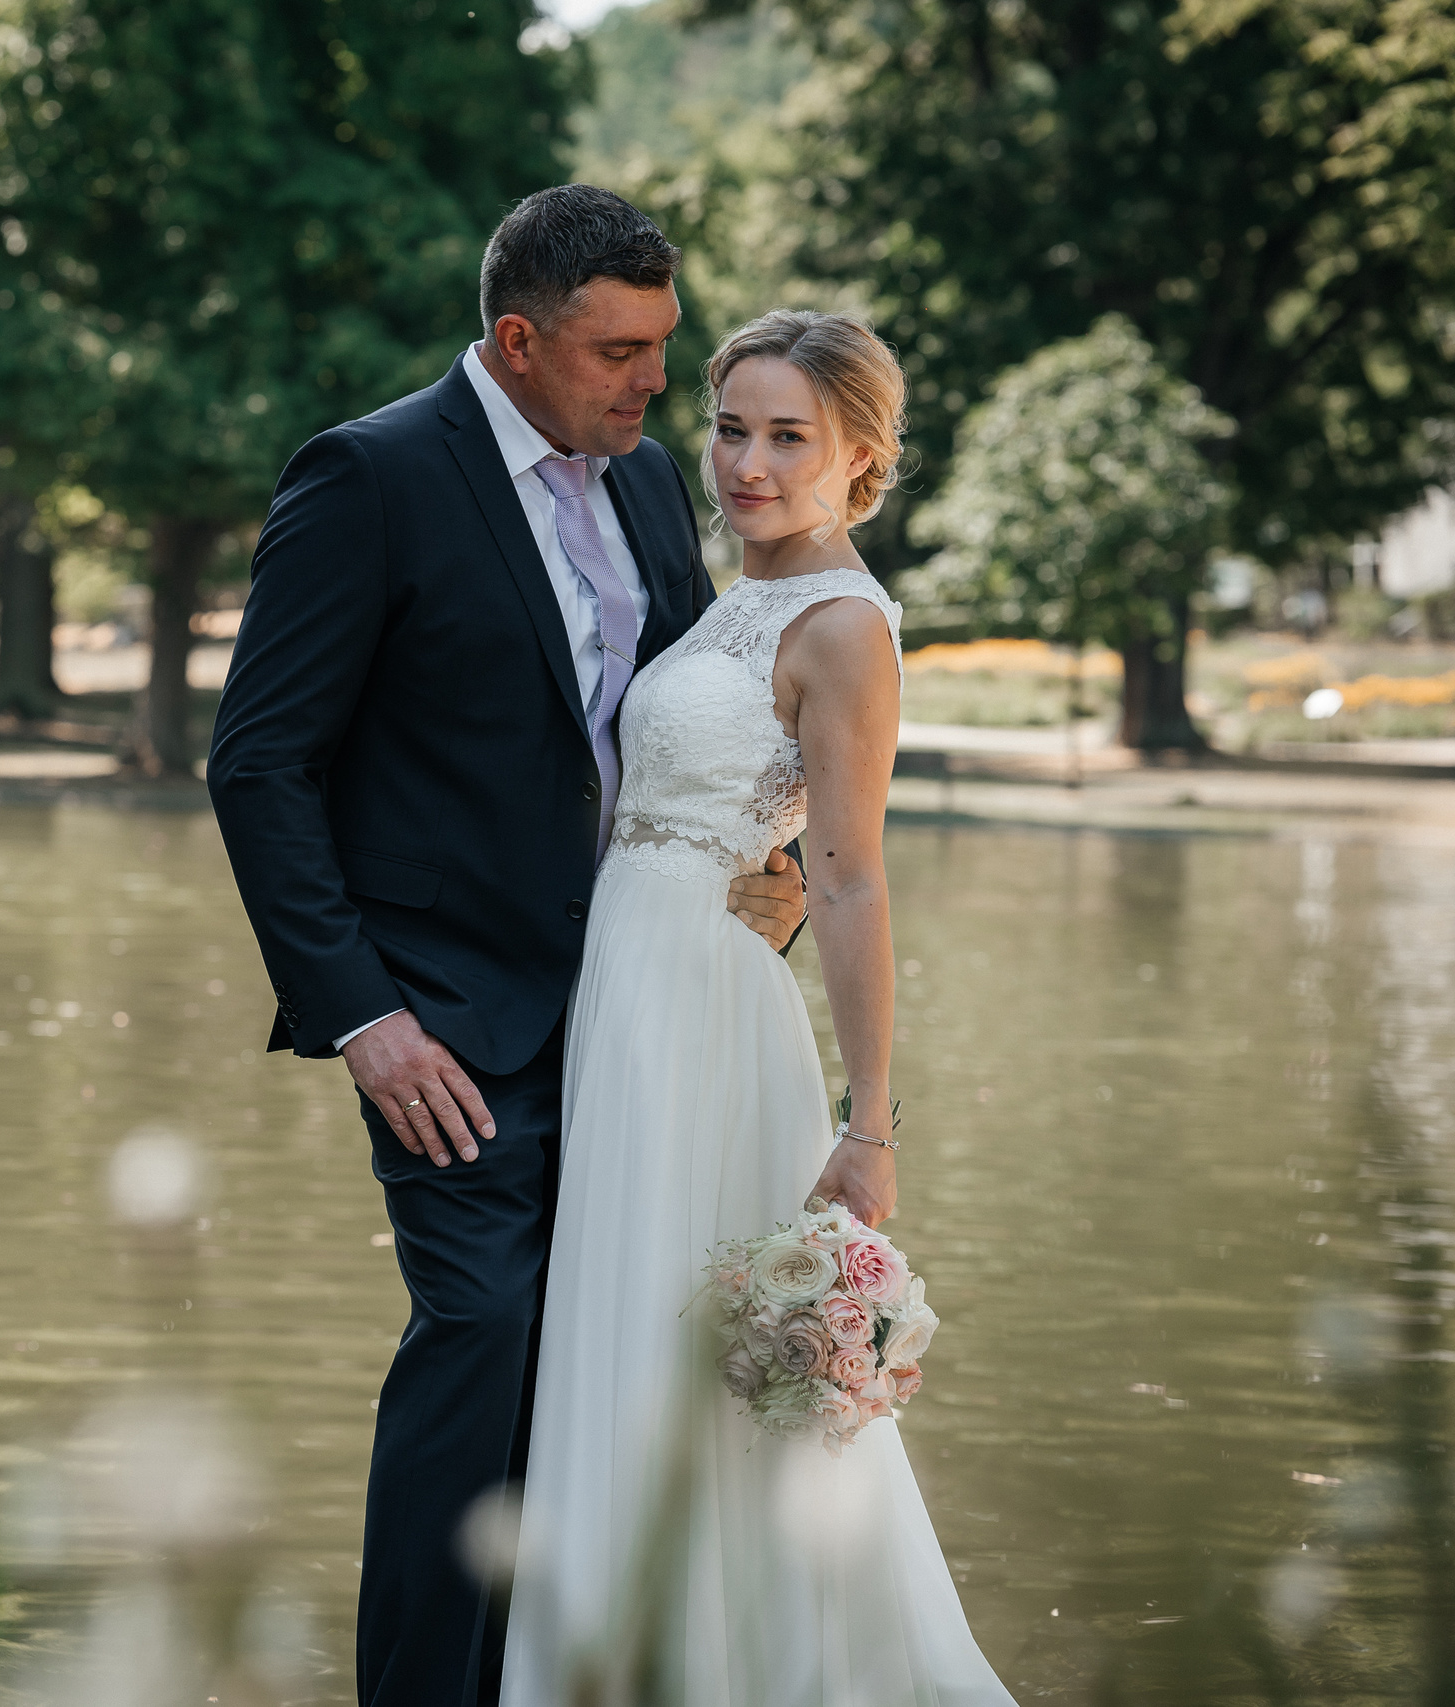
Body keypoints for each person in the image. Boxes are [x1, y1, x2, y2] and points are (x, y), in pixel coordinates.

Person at [207, 185, 809, 1705]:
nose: (653, 383)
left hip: (646, 1002)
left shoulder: (655, 480)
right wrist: (363, 1018)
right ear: (517, 339)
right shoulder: (372, 477)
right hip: (449, 1029)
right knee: (480, 1336)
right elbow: (259, 764)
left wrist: (769, 874)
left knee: (612, 1358)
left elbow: (691, 719)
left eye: (663, 348)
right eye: (619, 352)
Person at [495, 311, 1013, 1704]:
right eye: (732, 427)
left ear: (860, 460)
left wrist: (873, 1122)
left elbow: (850, 886)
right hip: (633, 990)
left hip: (709, 1024)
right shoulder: (739, 593)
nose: (748, 463)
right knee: (629, 1331)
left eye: (791, 437)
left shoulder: (844, 627)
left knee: (707, 1357)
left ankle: (751, 1666)